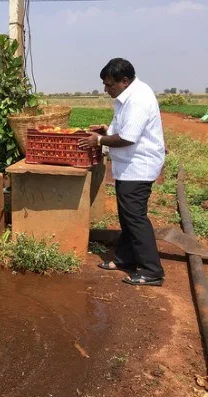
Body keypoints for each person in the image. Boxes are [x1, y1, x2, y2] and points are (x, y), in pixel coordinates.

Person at [78, 58, 165, 286]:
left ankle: (151, 270)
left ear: (124, 81)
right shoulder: (125, 96)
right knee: (127, 216)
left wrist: (98, 140)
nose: (106, 89)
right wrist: (106, 132)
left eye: (109, 85)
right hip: (128, 166)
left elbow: (128, 137)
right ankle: (125, 258)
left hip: (138, 166)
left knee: (135, 218)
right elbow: (123, 129)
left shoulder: (138, 99)